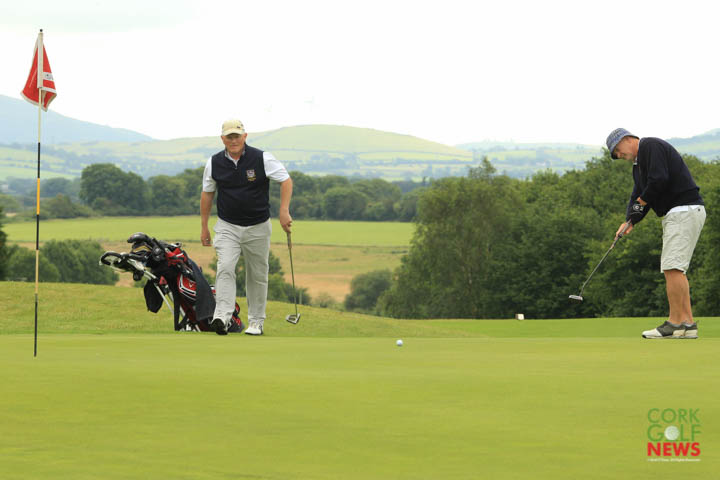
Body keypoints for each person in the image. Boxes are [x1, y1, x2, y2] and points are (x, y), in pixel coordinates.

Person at [606, 128, 706, 339]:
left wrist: (641, 202)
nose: (620, 155)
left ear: (627, 139)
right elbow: (638, 194)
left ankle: (674, 323)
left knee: (672, 267)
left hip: (683, 210)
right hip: (679, 213)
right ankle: (687, 324)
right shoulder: (638, 166)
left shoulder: (650, 146)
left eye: (618, 150)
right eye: (616, 155)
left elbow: (658, 180)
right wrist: (630, 221)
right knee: (675, 269)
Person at [201, 119, 293, 335]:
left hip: (258, 225)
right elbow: (207, 194)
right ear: (222, 139)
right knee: (225, 267)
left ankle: (256, 322)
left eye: (237, 136)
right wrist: (204, 226)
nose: (233, 140)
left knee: (257, 274)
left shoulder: (262, 158)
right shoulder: (214, 162)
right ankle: (222, 317)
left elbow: (286, 180)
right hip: (227, 225)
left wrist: (284, 210)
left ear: (245, 136)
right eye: (229, 137)